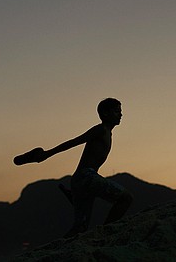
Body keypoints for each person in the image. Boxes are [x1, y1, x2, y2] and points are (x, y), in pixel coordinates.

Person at [13, 98, 133, 236]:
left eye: (120, 111)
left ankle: (61, 249)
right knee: (126, 198)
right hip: (87, 176)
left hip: (80, 180)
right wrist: (47, 154)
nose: (121, 115)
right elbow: (74, 141)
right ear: (105, 114)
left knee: (80, 228)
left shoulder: (106, 132)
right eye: (117, 111)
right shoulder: (100, 129)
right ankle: (104, 234)